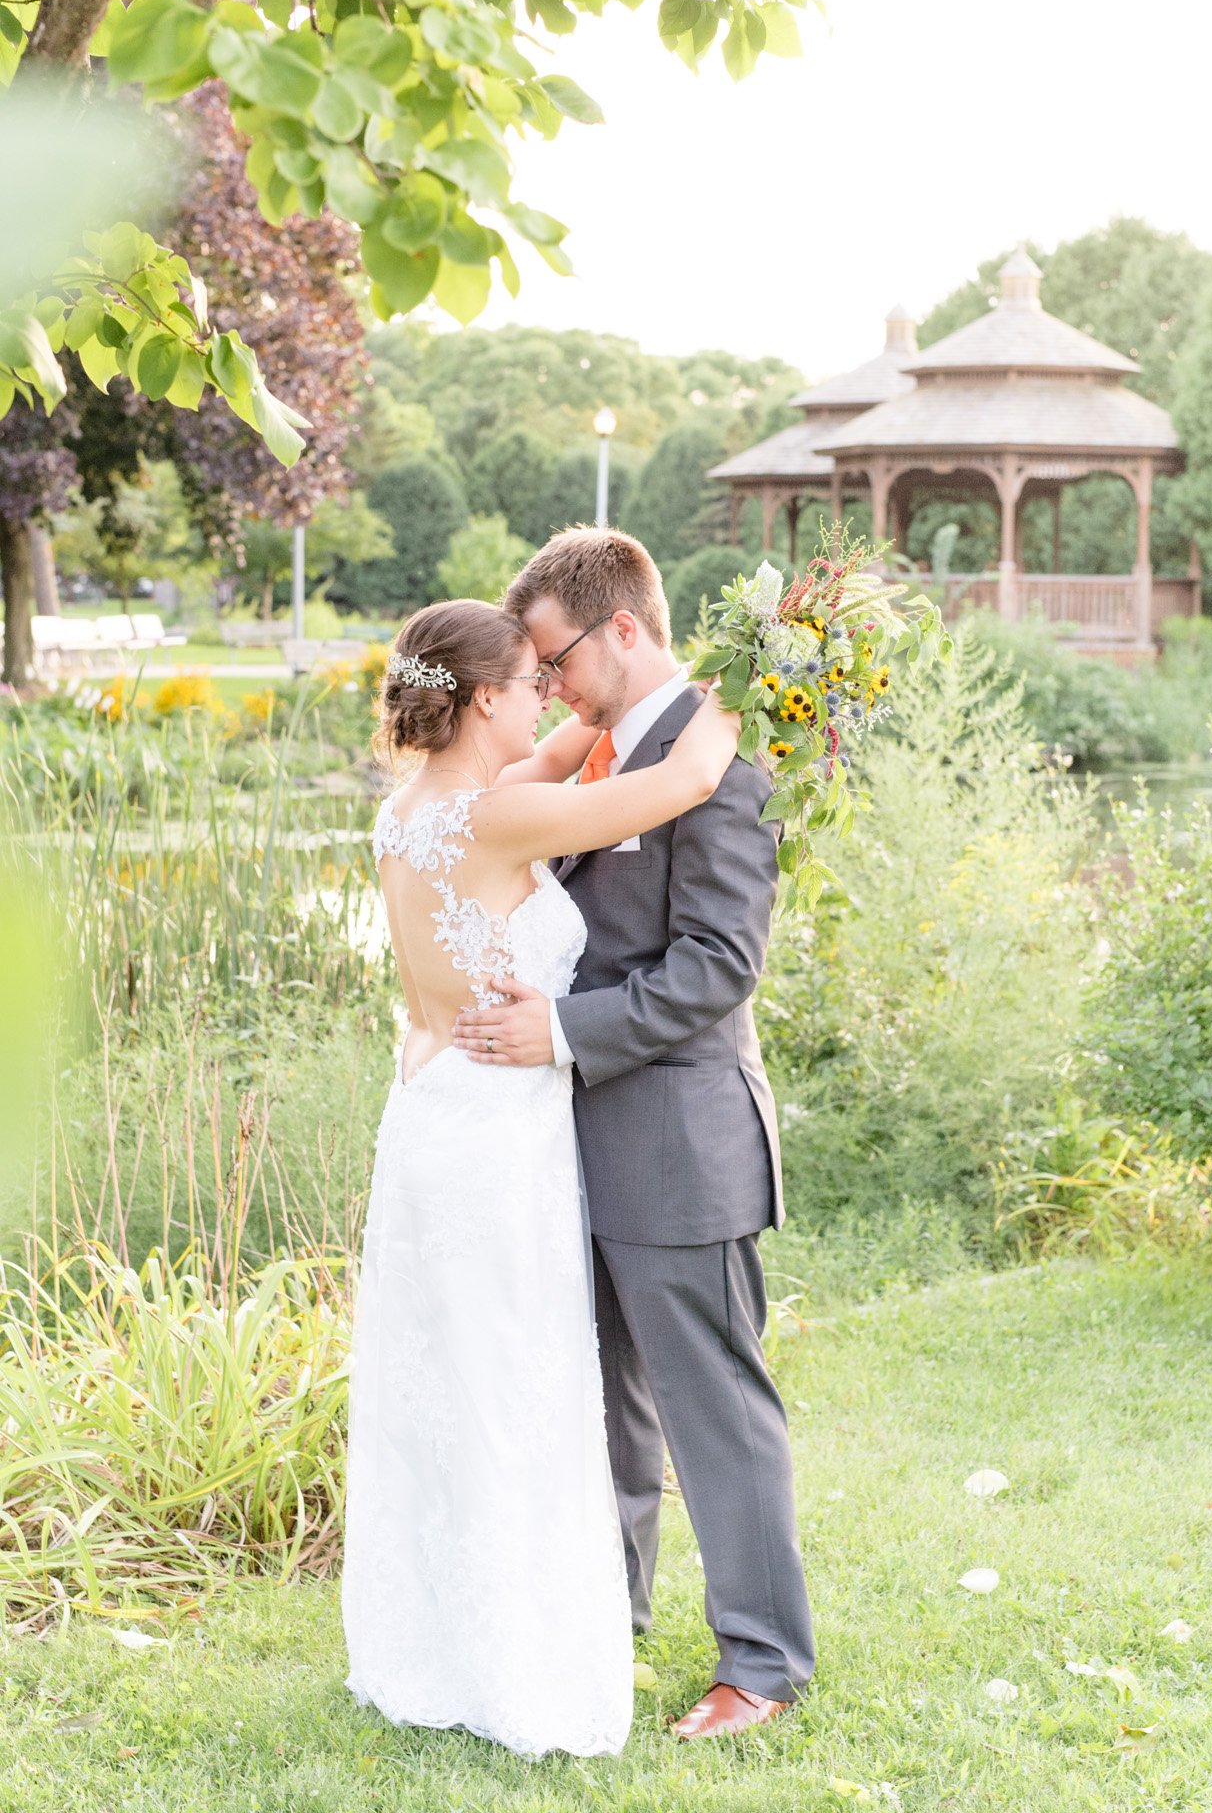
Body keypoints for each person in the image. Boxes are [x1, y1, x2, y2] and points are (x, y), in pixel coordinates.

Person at [341, 596, 741, 1758]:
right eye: (529, 681)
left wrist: (619, 684)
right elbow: (677, 781)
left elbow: (563, 753)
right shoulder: (502, 813)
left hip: (426, 1119)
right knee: (516, 1386)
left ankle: (436, 1641)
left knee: (447, 1387)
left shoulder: (412, 809)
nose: (549, 698)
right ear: (481, 697)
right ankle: (516, 1663)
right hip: (497, 1139)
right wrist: (751, 677)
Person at [452, 528, 816, 1740]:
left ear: (622, 627)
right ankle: (605, 1619)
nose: (544, 682)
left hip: (679, 1140)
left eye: (555, 656)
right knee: (603, 1405)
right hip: (578, 1149)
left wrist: (558, 1030)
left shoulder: (720, 759)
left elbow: (717, 965)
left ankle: (759, 1662)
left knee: (714, 1408)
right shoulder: (614, 750)